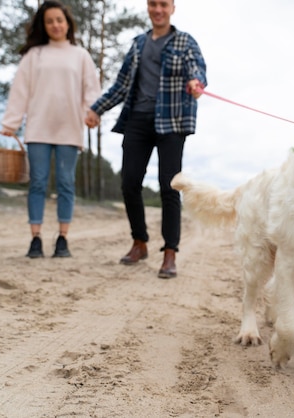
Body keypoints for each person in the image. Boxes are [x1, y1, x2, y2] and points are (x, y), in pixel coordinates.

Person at [85, 0, 207, 279]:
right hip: (138, 120)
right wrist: (96, 109)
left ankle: (170, 253)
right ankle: (139, 242)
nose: (158, 9)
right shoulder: (138, 44)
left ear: (172, 8)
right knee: (129, 183)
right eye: (153, 4)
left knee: (169, 186)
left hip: (172, 122)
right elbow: (121, 85)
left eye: (163, 4)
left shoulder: (185, 41)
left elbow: (197, 68)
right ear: (148, 8)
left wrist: (196, 83)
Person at [1, 0, 101, 259]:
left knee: (66, 183)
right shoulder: (34, 56)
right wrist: (11, 123)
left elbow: (91, 89)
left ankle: (62, 239)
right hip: (38, 128)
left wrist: (93, 112)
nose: (55, 25)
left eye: (59, 20)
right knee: (37, 182)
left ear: (68, 23)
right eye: (50, 21)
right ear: (43, 26)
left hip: (69, 127)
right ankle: (35, 239)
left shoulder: (80, 55)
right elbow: (20, 91)